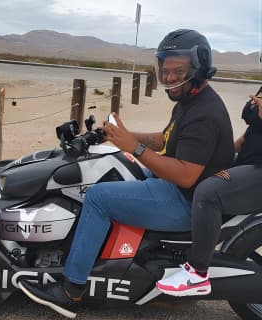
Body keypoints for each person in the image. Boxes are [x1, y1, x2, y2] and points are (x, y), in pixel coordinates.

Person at [20, 29, 234, 317]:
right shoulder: (191, 101)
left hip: (187, 201)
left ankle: (72, 289)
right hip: (181, 191)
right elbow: (166, 139)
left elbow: (185, 175)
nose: (169, 78)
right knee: (123, 171)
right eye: (165, 70)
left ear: (198, 68)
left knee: (97, 197)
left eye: (178, 71)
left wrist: (134, 147)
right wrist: (125, 136)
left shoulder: (204, 113)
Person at [156, 90, 262, 297]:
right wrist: (222, 154)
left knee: (209, 192)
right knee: (196, 167)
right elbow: (252, 133)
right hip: (247, 161)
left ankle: (197, 273)